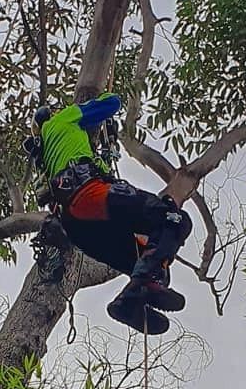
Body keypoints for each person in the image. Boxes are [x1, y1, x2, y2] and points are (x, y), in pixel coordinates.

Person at [26, 97, 192, 335]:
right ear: (52, 115)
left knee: (150, 258)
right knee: (174, 219)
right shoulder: (64, 119)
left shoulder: (45, 155)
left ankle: (128, 302)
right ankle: (141, 286)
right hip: (90, 195)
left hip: (78, 228)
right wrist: (100, 101)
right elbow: (112, 103)